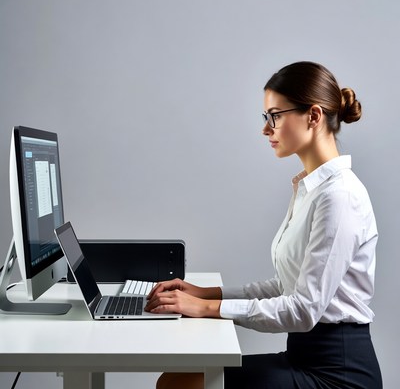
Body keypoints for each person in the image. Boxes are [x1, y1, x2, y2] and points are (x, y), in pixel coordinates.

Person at [145, 61, 383, 389]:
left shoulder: (339, 196)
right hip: (304, 358)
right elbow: (285, 287)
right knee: (178, 378)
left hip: (337, 375)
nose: (265, 129)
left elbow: (302, 310)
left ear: (313, 116)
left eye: (275, 115)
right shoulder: (310, 189)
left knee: (180, 384)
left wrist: (207, 307)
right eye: (266, 117)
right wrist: (205, 293)